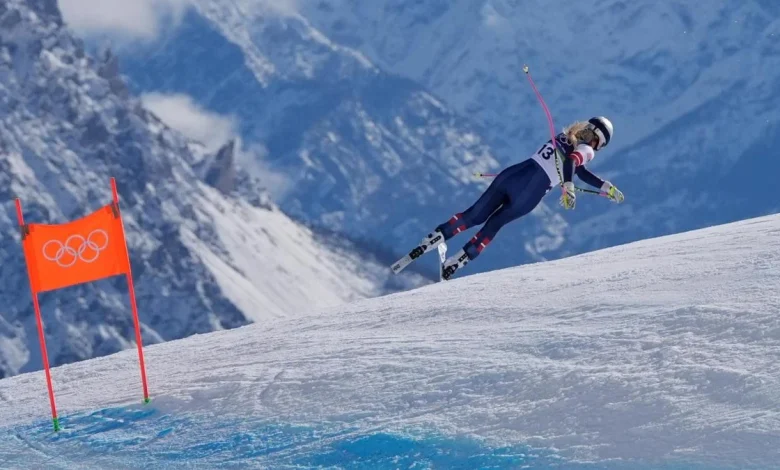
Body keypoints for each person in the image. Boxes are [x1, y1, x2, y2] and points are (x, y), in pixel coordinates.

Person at [421, 116, 625, 280]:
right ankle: (459, 260)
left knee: (474, 214)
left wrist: (605, 186)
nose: (595, 148)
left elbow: (577, 169)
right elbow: (573, 162)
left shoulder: (565, 135)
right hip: (529, 195)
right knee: (494, 225)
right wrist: (568, 187)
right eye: (598, 145)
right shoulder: (587, 150)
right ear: (596, 138)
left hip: (513, 175)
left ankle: (438, 235)